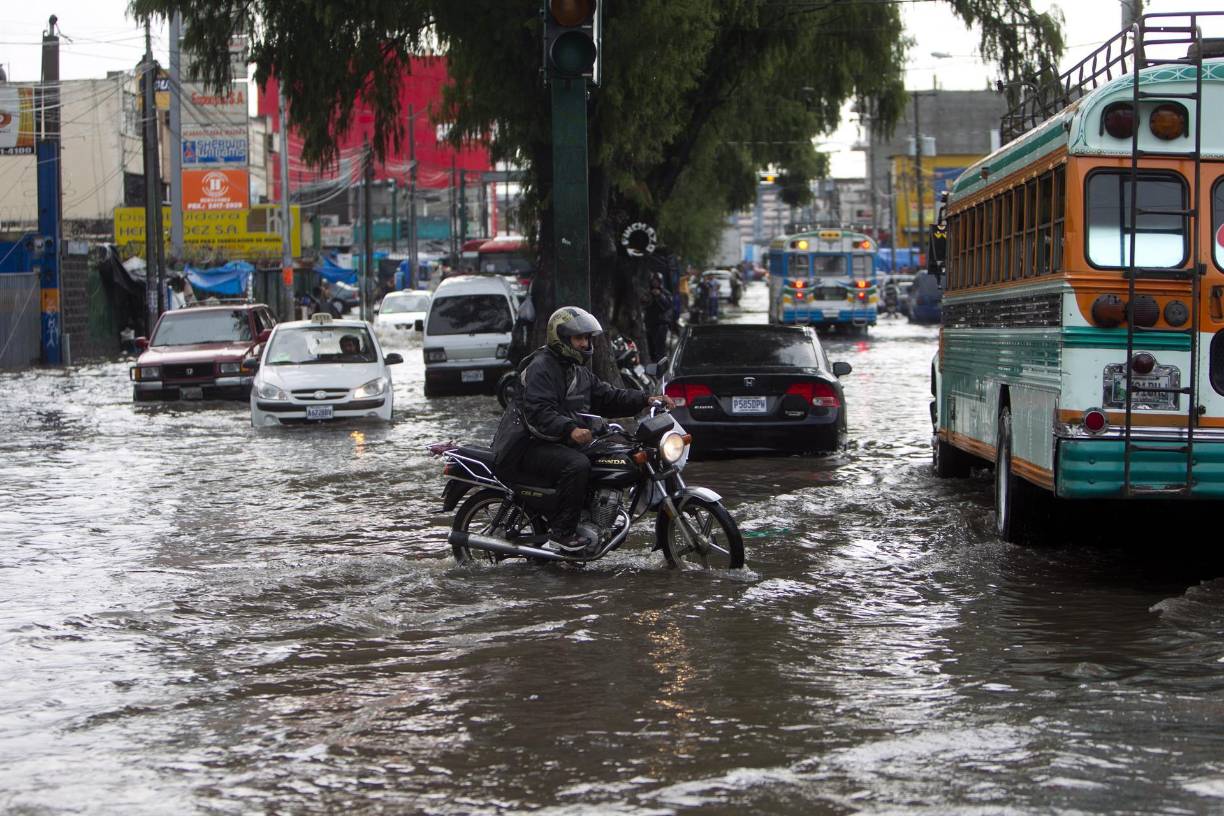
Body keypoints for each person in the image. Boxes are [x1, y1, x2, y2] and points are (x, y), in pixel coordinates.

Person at [491, 306, 674, 553]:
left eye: (587, 338)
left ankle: (592, 519)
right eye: (580, 338)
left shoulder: (576, 371)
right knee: (576, 465)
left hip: (552, 440)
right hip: (524, 444)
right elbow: (538, 411)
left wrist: (646, 399)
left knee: (611, 452)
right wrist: (570, 429)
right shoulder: (541, 367)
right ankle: (561, 534)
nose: (585, 343)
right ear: (563, 338)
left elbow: (608, 396)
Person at [643, 277, 673, 363]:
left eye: (657, 282)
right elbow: (643, 304)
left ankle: (663, 367)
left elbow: (668, 306)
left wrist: (659, 296)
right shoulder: (648, 293)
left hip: (661, 324)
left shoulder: (665, 293)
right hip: (650, 324)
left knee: (660, 349)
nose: (655, 284)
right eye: (653, 282)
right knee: (651, 348)